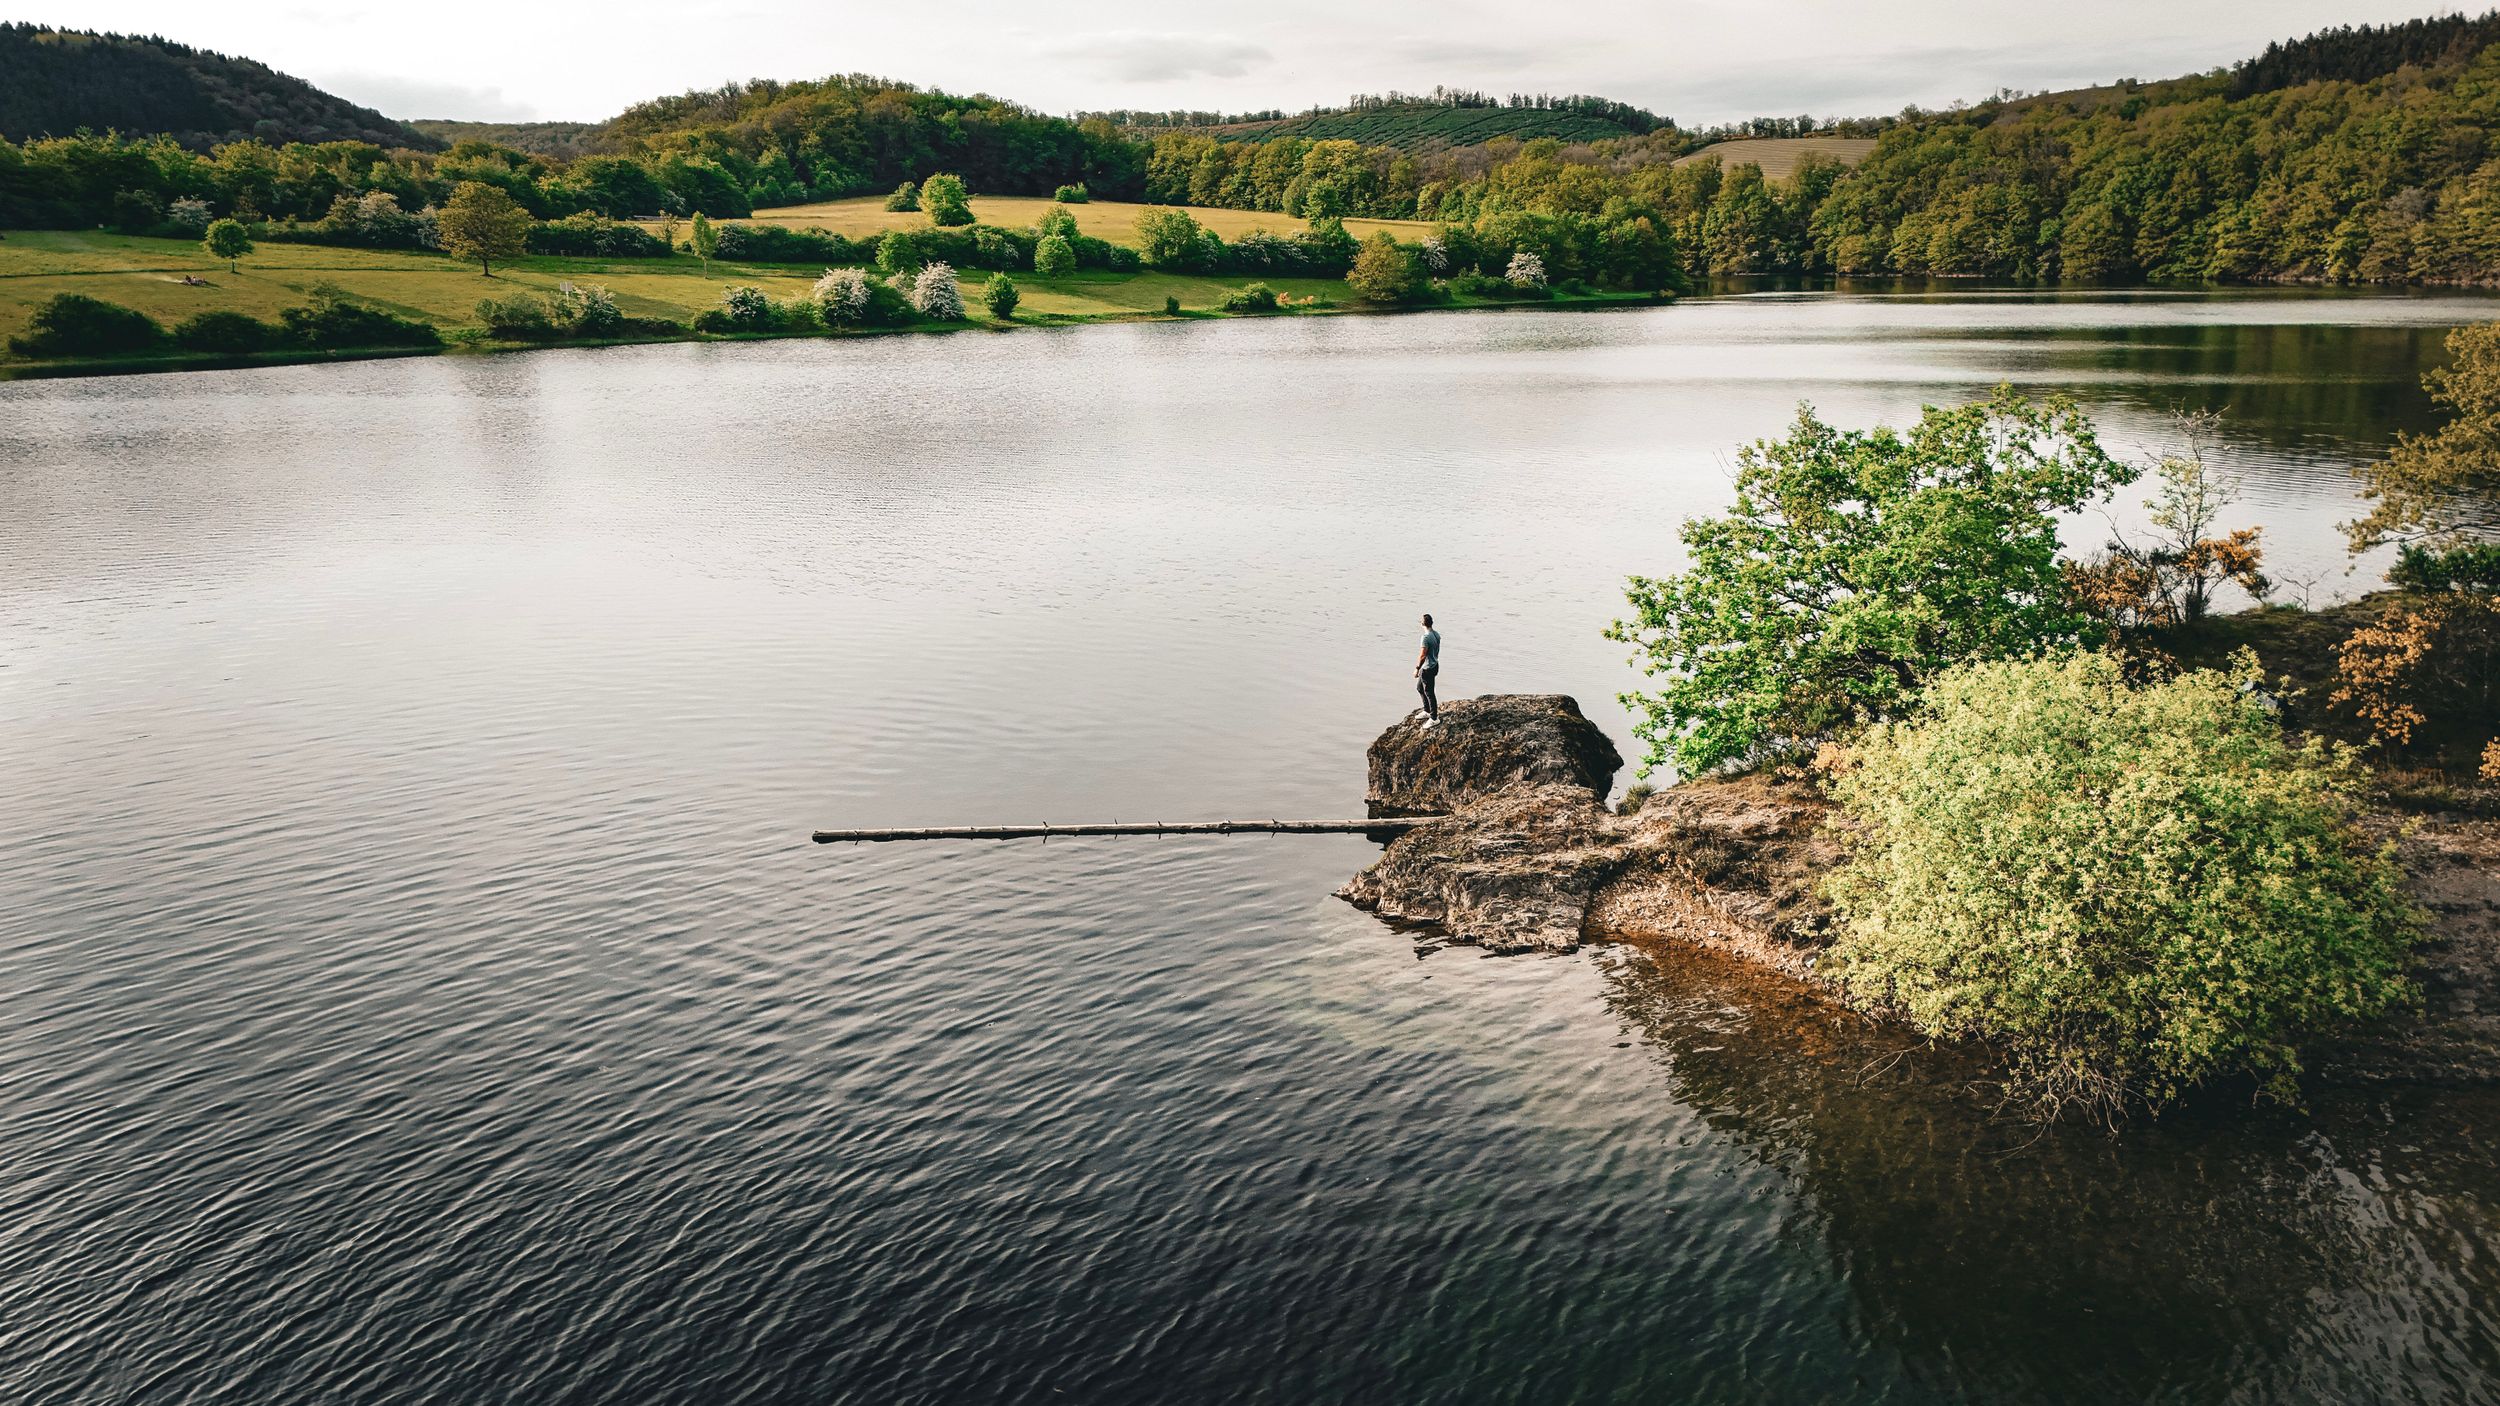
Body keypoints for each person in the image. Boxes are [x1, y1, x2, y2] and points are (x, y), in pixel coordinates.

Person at [1414, 613, 1441, 724]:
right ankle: (1427, 710)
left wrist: (1417, 668)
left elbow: (1423, 655)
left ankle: (1434, 718)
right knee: (1420, 688)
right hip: (1434, 665)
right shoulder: (1436, 634)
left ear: (1422, 624)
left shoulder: (1425, 637)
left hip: (1428, 668)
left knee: (1429, 692)